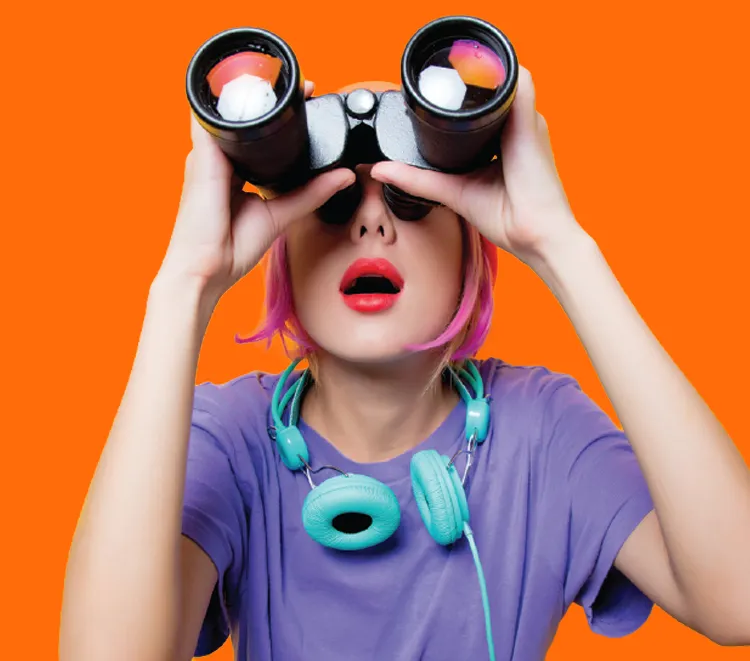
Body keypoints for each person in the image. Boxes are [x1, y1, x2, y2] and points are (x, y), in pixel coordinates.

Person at [59, 70, 750, 661]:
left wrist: (560, 243)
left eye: (411, 196)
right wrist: (184, 285)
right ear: (282, 249)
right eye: (331, 199)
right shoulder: (232, 439)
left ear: (469, 246)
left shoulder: (543, 431)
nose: (371, 224)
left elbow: (740, 598)